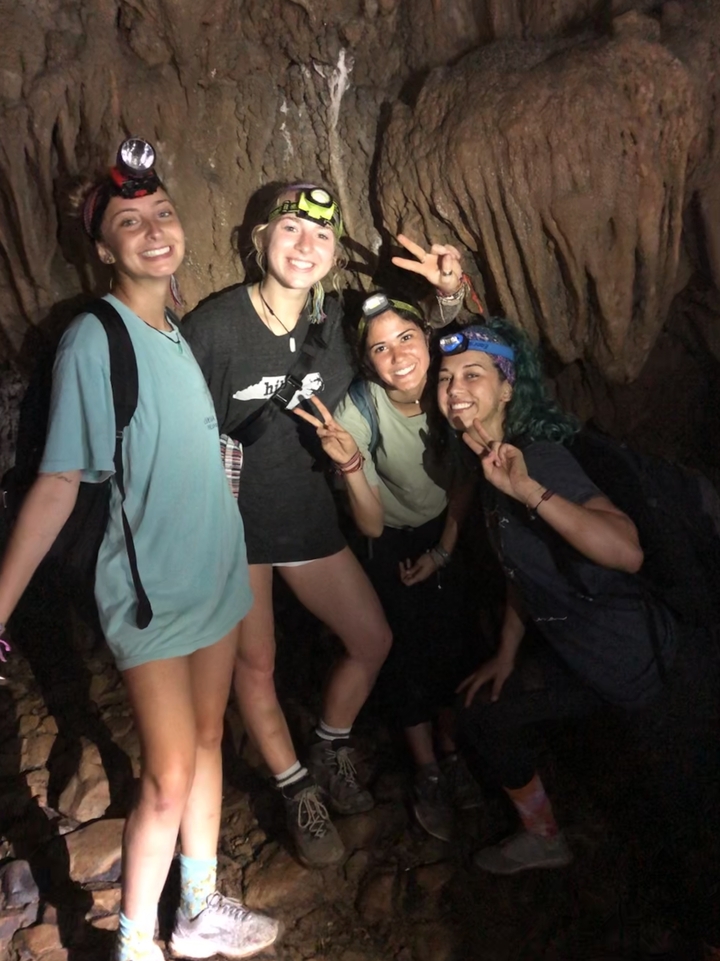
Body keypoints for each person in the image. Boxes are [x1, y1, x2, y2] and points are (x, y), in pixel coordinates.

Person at [0, 140, 279, 961]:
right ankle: (133, 942)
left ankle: (196, 909)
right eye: (130, 221)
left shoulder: (174, 333)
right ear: (103, 247)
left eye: (161, 213)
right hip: (151, 594)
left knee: (204, 742)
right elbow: (57, 483)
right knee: (164, 774)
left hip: (218, 574)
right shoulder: (98, 337)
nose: (154, 230)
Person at [181, 184, 393, 869]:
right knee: (257, 661)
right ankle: (294, 785)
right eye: (292, 230)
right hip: (234, 530)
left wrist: (451, 299)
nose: (307, 246)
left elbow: (409, 349)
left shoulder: (334, 332)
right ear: (259, 240)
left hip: (306, 516)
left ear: (334, 255)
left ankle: (329, 744)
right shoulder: (215, 328)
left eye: (322, 237)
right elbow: (175, 428)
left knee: (372, 637)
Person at [436, 318, 680, 875]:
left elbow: (626, 551)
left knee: (681, 821)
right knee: (482, 712)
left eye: (473, 375)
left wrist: (529, 490)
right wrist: (505, 654)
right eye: (446, 378)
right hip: (579, 658)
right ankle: (545, 835)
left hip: (640, 665)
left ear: (507, 388)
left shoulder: (536, 461)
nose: (454, 390)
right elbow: (525, 575)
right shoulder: (491, 471)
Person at [297, 279, 480, 842]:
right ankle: (426, 767)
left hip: (451, 524)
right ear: (366, 361)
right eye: (380, 348)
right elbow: (371, 523)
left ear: (426, 338)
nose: (398, 355)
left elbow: (469, 477)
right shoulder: (357, 410)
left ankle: (454, 754)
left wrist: (445, 551)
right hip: (392, 537)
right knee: (404, 652)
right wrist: (351, 465)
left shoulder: (457, 383)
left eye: (406, 337)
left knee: (460, 638)